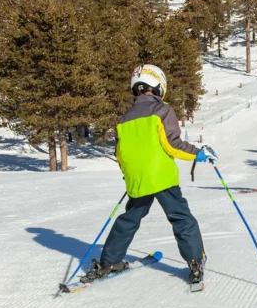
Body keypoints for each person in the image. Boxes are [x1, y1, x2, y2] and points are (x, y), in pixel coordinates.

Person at [82, 64, 212, 288]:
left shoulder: (124, 119)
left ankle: (109, 262)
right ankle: (195, 262)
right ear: (159, 85)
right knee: (181, 217)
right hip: (161, 177)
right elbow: (172, 144)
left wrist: (132, 173)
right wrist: (198, 153)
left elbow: (120, 154)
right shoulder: (162, 110)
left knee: (129, 219)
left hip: (137, 178)